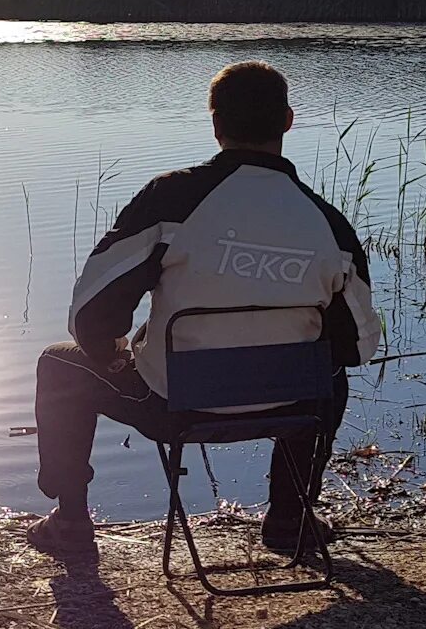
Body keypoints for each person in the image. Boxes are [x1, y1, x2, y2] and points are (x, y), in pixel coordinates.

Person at [27, 61, 381, 558]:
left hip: (176, 407)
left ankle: (71, 522)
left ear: (215, 125)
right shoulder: (329, 223)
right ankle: (289, 517)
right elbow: (358, 345)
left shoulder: (171, 200)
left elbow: (93, 308)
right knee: (330, 375)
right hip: (291, 408)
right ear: (287, 121)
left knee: (60, 365)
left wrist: (108, 353)